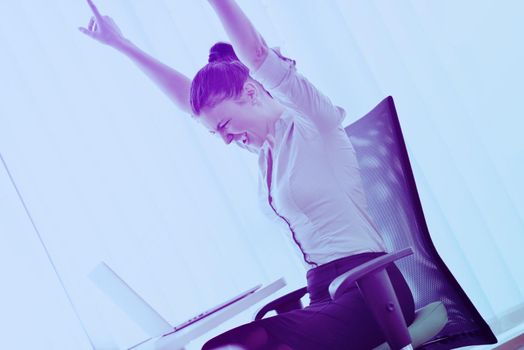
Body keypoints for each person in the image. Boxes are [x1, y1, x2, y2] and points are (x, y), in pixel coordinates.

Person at [79, 1, 415, 349]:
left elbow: (256, 55)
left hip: (373, 292)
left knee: (245, 344)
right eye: (216, 133)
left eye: (224, 126)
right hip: (323, 295)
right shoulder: (265, 150)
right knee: (236, 343)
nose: (225, 140)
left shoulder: (314, 124)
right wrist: (122, 44)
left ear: (251, 92)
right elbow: (187, 99)